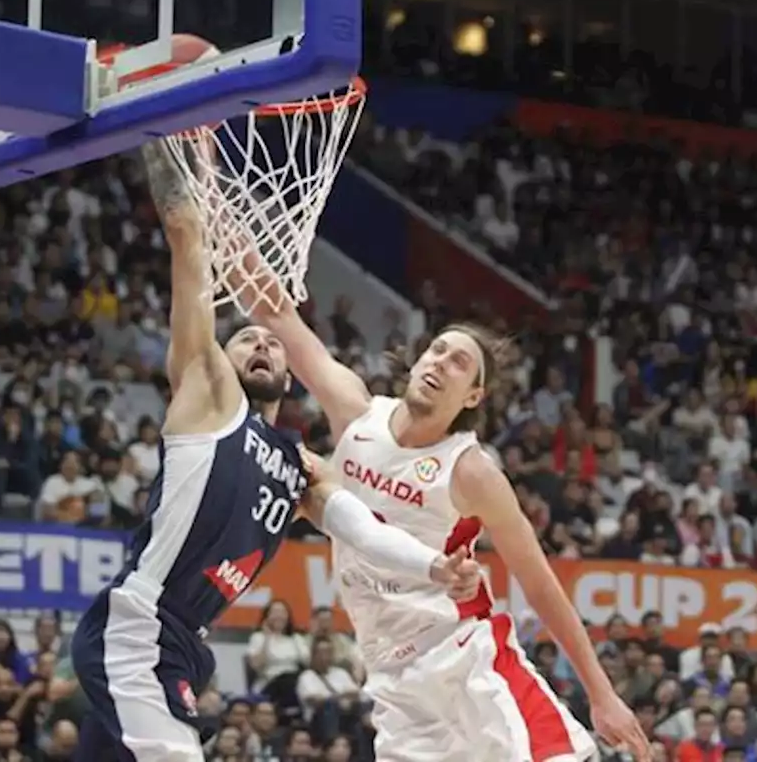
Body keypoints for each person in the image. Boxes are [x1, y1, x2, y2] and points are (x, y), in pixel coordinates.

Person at [69, 139, 480, 762]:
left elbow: (358, 528)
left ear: (289, 379)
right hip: (137, 627)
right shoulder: (206, 392)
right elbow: (186, 236)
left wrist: (433, 566)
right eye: (246, 340)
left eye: (273, 342)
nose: (261, 342)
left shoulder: (297, 464)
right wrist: (171, 134)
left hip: (181, 645)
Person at [239, 269, 651, 761]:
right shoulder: (356, 414)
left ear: (473, 397)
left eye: (459, 363)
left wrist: (601, 694)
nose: (441, 362)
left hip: (467, 662)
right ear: (417, 361)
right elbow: (277, 313)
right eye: (437, 350)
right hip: (393, 683)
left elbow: (540, 584)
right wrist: (220, 232)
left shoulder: (472, 472)